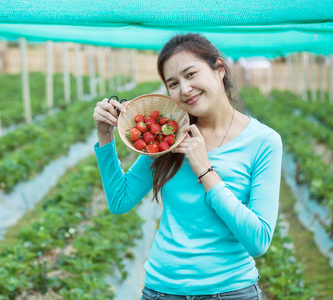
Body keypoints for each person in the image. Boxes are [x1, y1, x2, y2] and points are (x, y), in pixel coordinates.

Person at [92, 33, 282, 299]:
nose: (184, 89)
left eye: (191, 74)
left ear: (219, 69)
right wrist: (105, 136)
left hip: (230, 292)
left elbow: (259, 240)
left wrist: (205, 171)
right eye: (173, 83)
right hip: (161, 290)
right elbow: (120, 200)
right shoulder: (170, 137)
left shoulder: (263, 141)